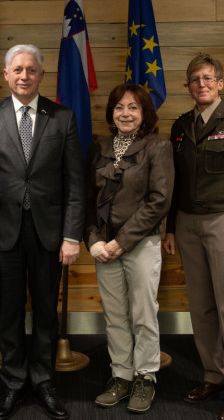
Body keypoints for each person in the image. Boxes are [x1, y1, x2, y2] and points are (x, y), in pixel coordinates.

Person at [0, 44, 85, 420]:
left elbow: (76, 184)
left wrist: (71, 235)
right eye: (17, 69)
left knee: (47, 311)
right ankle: (14, 383)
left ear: (41, 75)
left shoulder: (62, 117)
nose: (23, 75)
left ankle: (44, 380)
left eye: (31, 70)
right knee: (12, 311)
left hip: (50, 234)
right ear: (6, 74)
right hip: (4, 236)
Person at [162, 53, 224, 420]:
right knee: (201, 305)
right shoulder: (179, 126)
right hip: (188, 223)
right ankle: (215, 376)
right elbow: (175, 185)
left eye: (208, 78)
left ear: (220, 83)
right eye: (194, 80)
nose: (201, 85)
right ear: (188, 86)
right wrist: (171, 227)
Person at [84, 84, 174, 414]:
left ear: (145, 114)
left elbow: (159, 201)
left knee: (143, 314)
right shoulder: (99, 148)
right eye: (119, 107)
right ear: (111, 112)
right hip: (103, 248)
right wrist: (93, 240)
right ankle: (121, 375)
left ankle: (145, 377)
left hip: (140, 244)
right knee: (115, 315)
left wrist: (122, 242)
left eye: (133, 108)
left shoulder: (157, 147)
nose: (125, 113)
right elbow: (88, 201)